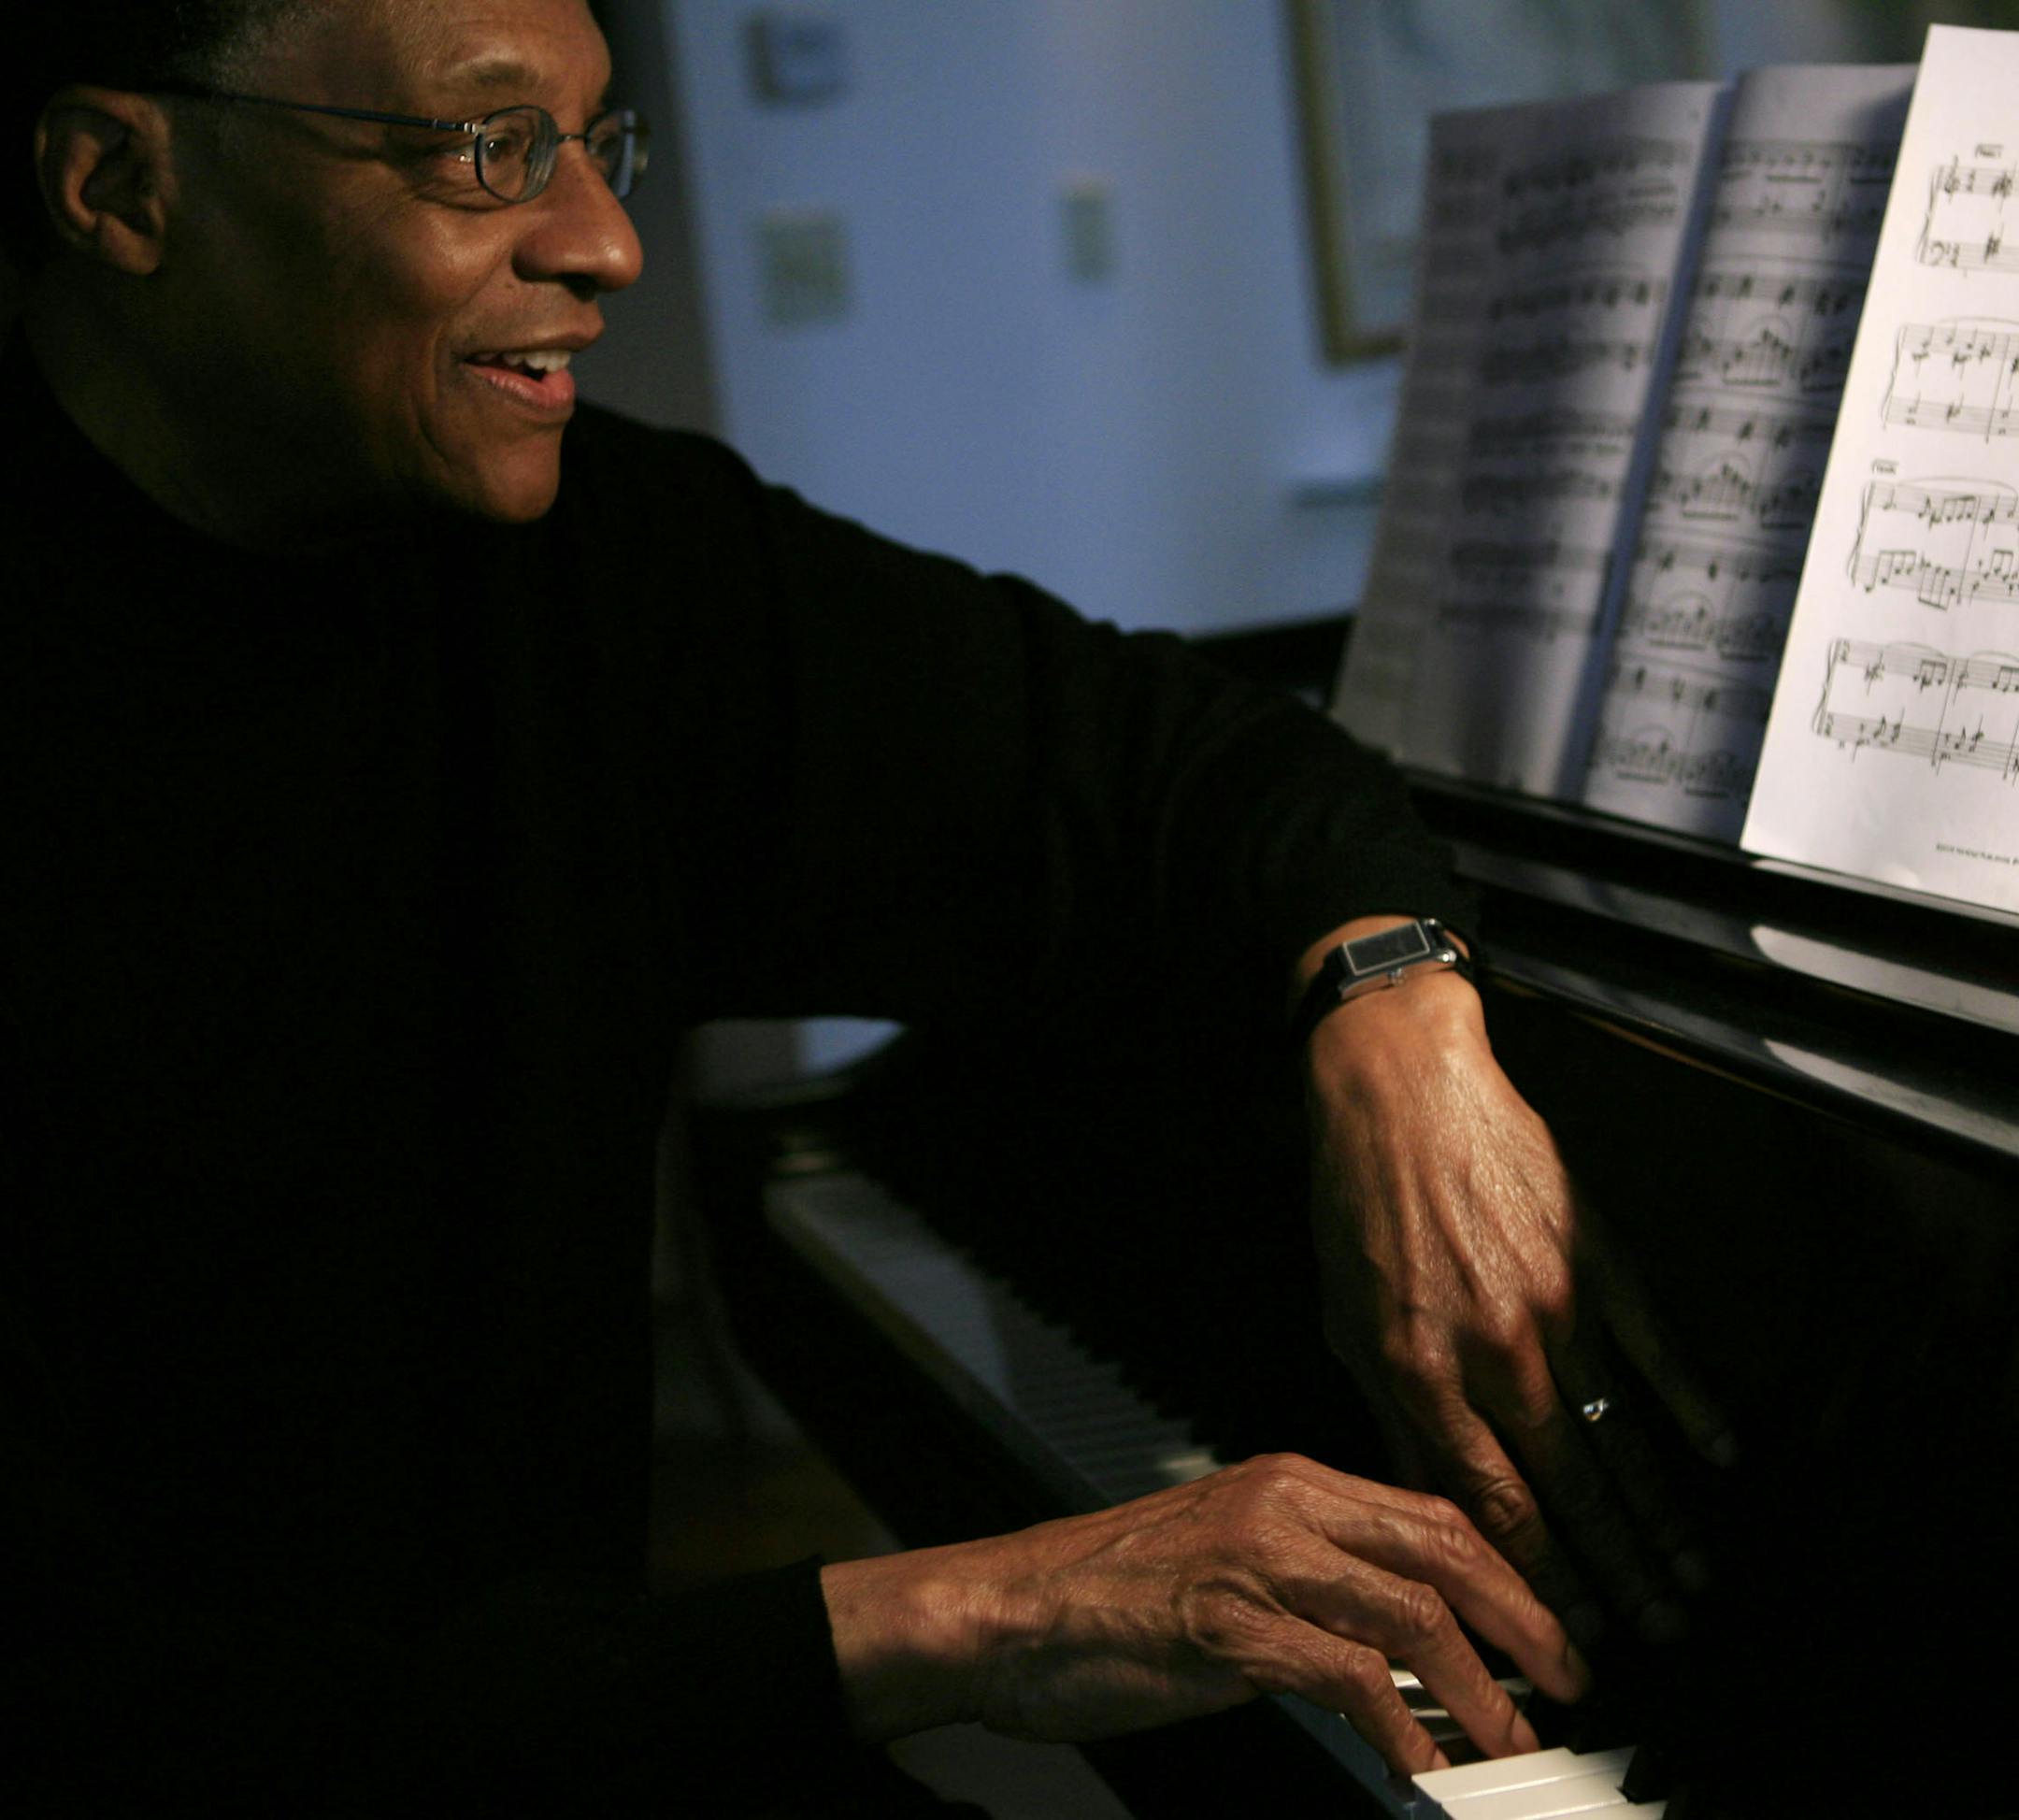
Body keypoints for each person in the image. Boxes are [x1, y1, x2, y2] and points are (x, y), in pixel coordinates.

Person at [0, 1, 1731, 1810]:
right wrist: (977, 1612)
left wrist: (1392, 1011)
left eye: (598, 140)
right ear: (120, 183)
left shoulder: (607, 569)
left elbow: (1184, 764)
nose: (607, 243)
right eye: (486, 147)